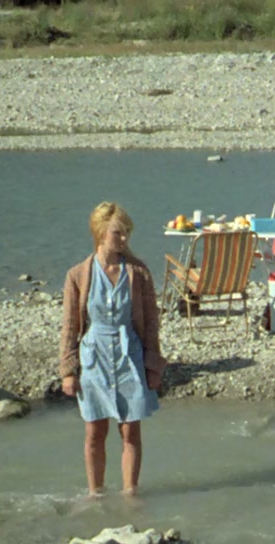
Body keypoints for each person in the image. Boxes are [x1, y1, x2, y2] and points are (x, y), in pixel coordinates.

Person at [59, 202, 165, 498]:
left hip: (129, 354)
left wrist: (153, 365)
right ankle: (96, 494)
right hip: (94, 357)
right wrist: (68, 370)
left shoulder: (138, 272)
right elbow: (69, 326)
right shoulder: (78, 275)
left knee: (130, 431)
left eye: (127, 233)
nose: (124, 239)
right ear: (101, 233)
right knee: (95, 432)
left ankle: (130, 493)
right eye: (118, 233)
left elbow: (152, 322)